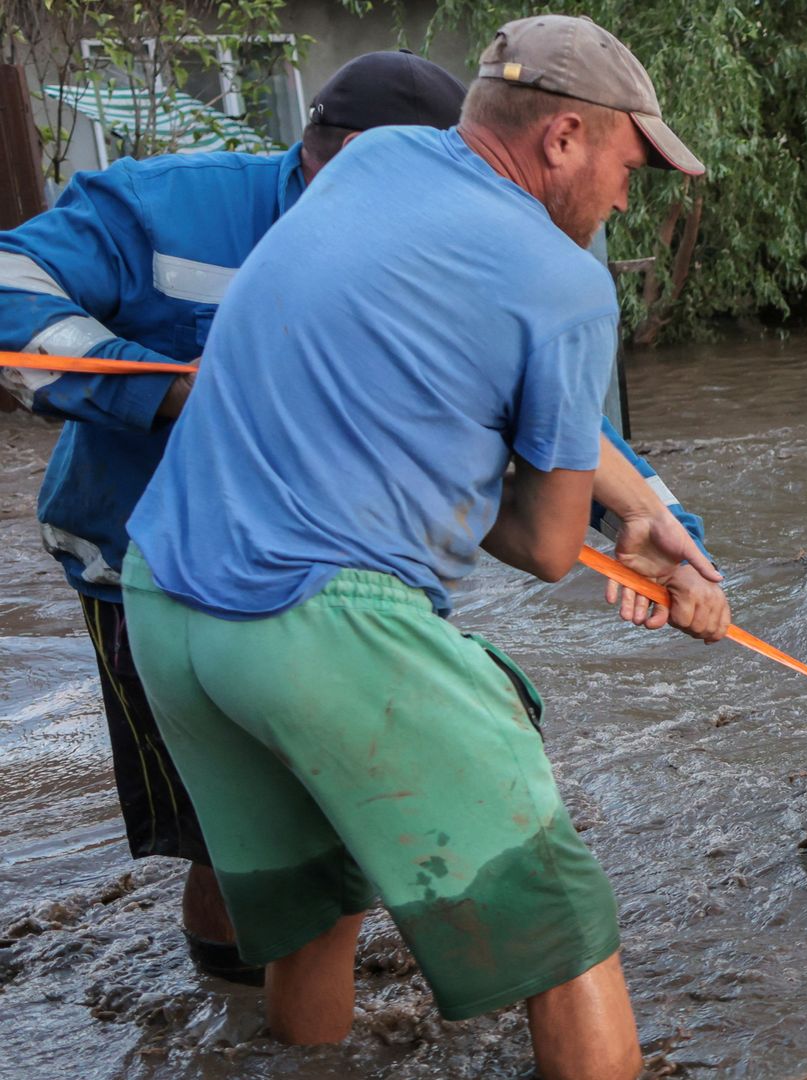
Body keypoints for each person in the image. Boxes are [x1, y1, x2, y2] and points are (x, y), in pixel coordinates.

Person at [119, 15, 712, 1077]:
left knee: (316, 914)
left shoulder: (373, 158)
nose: (630, 197)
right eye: (631, 166)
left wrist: (640, 509)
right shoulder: (568, 285)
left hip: (164, 601)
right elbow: (541, 544)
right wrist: (644, 547)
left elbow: (396, 380)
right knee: (563, 932)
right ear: (565, 137)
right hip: (320, 626)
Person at [0, 50, 473, 984]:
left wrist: (651, 518)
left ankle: (293, 994)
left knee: (348, 804)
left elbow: (535, 411)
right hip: (142, 566)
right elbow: (9, 284)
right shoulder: (168, 207)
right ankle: (237, 1019)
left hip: (333, 575)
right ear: (328, 161)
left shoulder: (439, 244)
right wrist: (171, 391)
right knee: (224, 832)